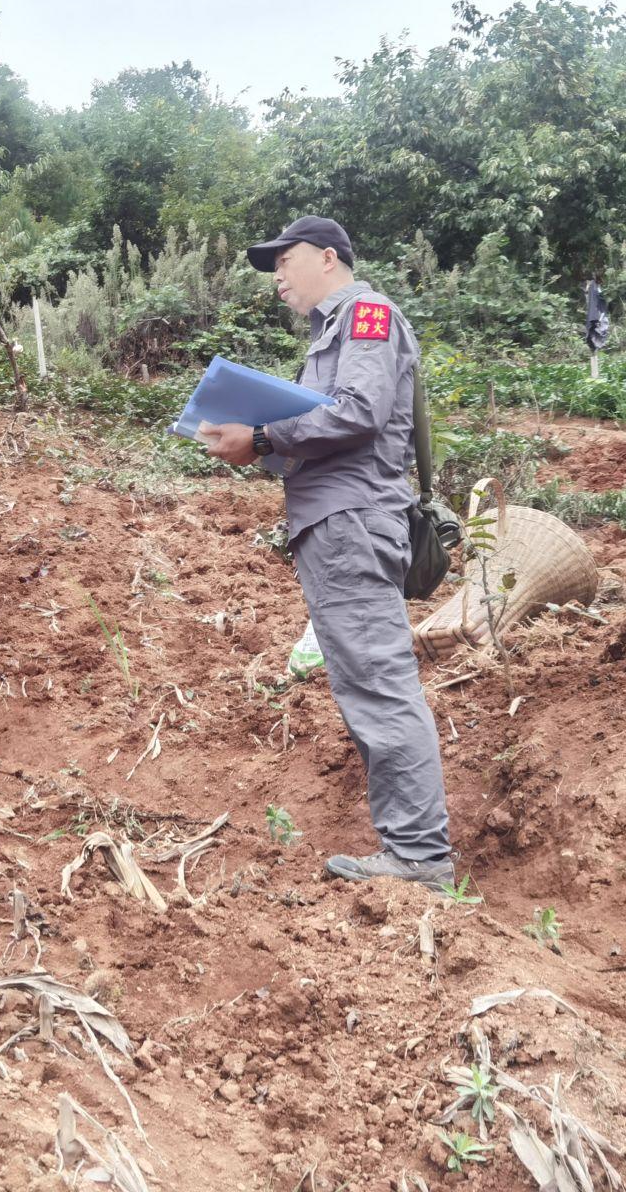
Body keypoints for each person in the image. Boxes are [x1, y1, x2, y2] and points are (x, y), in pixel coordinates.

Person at [198, 215, 455, 891]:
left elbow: (359, 411)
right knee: (368, 680)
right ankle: (413, 849)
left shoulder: (365, 313)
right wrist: (258, 445)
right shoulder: (332, 332)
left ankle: (421, 857)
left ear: (329, 258)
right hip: (335, 521)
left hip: (351, 522)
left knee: (378, 682)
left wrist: (261, 434)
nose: (277, 276)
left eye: (285, 261)